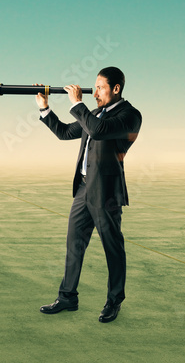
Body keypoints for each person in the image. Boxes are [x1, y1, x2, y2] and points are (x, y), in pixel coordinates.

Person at [35, 67, 141, 323]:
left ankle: (114, 301)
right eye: (93, 87)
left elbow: (99, 130)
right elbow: (63, 132)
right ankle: (68, 297)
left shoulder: (130, 116)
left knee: (112, 248)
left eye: (100, 87)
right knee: (74, 243)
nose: (94, 93)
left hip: (106, 193)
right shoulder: (93, 114)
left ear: (116, 89)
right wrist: (44, 108)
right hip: (84, 189)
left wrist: (77, 104)